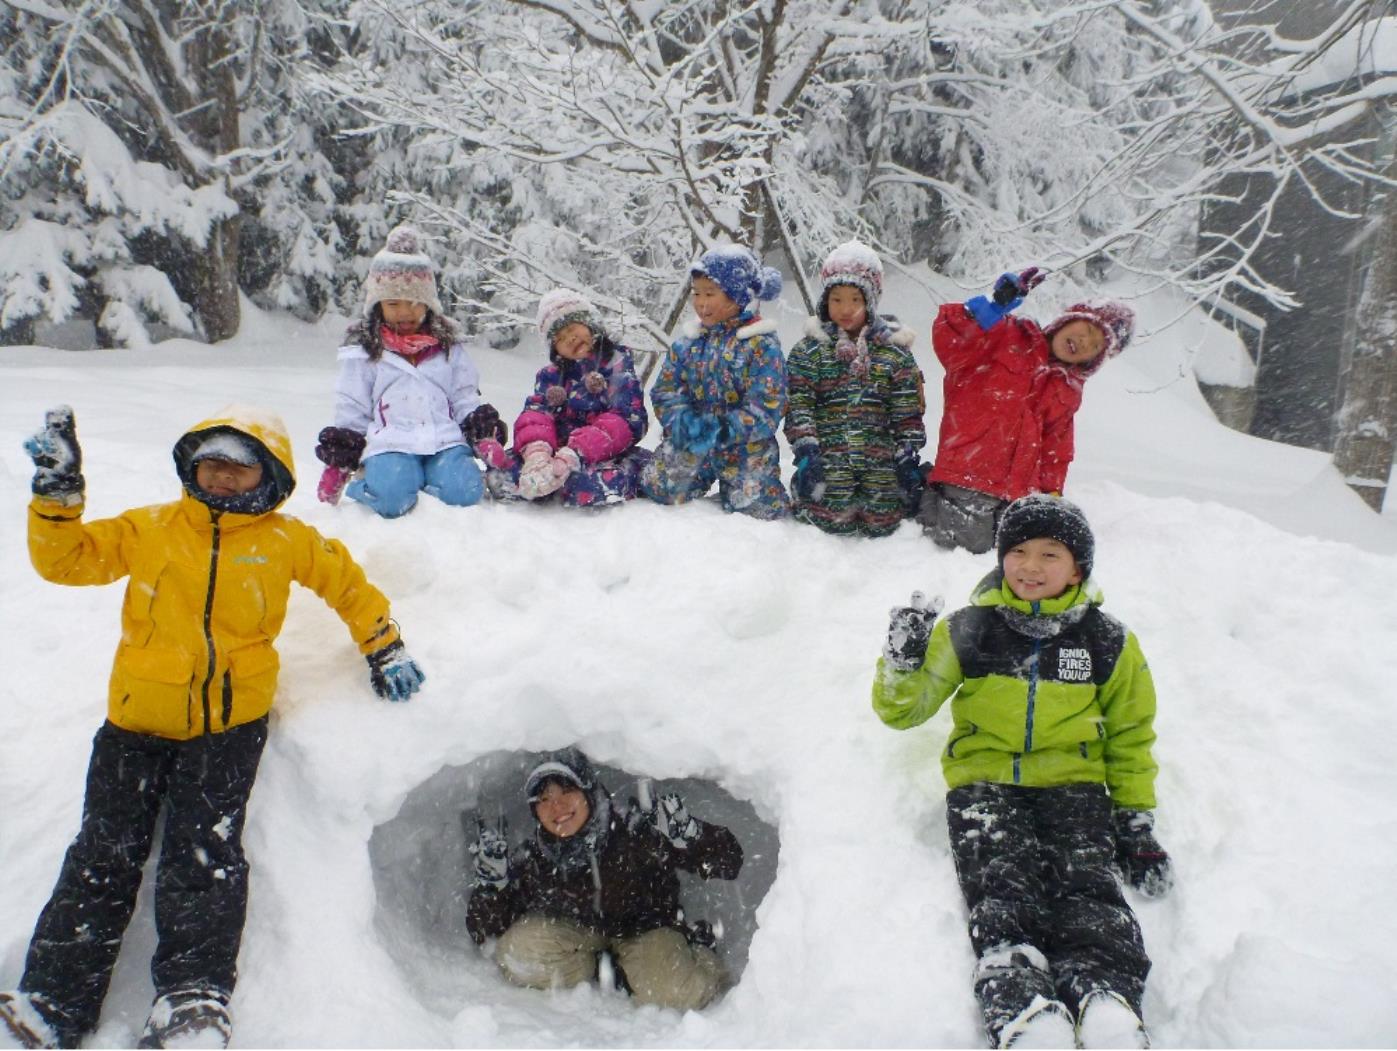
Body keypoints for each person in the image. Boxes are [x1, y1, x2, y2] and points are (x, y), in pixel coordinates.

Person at [1, 406, 425, 1050]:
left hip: (228, 730)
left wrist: (383, 644)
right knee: (101, 856)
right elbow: (68, 562)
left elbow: (348, 586)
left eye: (239, 466)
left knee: (205, 859)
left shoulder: (287, 541)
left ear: (269, 475)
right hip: (133, 725)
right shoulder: (152, 528)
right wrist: (58, 496)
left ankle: (192, 998)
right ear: (191, 467)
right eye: (212, 464)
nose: (222, 478)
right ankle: (54, 1000)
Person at [871, 495, 1172, 1049]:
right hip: (984, 788)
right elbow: (902, 711)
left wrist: (1134, 821)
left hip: (1073, 787)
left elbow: (1132, 733)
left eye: (1050, 554)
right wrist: (903, 661)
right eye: (1019, 551)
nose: (1031, 566)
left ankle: (1105, 994)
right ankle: (1025, 1005)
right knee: (1002, 887)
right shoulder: (971, 629)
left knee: (1087, 884)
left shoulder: (1107, 641)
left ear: (1078, 567)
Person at [465, 748, 742, 1012]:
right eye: (544, 799)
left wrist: (690, 838)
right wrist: (493, 886)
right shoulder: (536, 856)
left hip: (645, 929)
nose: (557, 806)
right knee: (517, 955)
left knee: (676, 993)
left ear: (588, 790)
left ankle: (697, 949)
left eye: (567, 790)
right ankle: (602, 967)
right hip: (583, 933)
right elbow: (487, 931)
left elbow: (728, 863)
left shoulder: (634, 830)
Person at [917, 267, 1134, 553]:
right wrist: (990, 309)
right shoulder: (1007, 337)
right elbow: (951, 340)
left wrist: (1051, 496)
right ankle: (922, 495)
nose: (1084, 342)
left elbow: (1056, 449)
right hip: (967, 476)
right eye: (1089, 329)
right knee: (965, 546)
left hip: (1018, 495)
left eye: (1095, 346)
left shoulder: (1066, 391)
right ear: (1070, 319)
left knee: (1016, 554)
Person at [313, 224, 505, 518]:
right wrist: (339, 463)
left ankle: (432, 481)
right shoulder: (364, 353)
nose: (404, 313)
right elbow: (353, 407)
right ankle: (370, 484)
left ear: (428, 305)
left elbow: (465, 396)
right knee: (392, 500)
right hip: (391, 443)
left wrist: (482, 436)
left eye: (415, 303)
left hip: (444, 440)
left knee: (464, 493)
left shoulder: (448, 348)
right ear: (378, 305)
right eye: (393, 304)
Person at [784, 241, 926, 537]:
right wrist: (807, 449)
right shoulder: (812, 350)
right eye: (836, 299)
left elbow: (906, 412)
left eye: (855, 300)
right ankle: (804, 488)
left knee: (883, 520)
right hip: (829, 451)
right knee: (832, 516)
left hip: (878, 453)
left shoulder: (892, 353)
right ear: (825, 301)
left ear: (871, 302)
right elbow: (799, 404)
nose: (845, 309)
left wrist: (907, 453)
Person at [640, 245, 789, 519]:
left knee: (759, 508)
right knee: (659, 487)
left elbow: (767, 406)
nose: (701, 303)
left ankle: (748, 483)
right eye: (696, 294)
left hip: (745, 445)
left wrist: (723, 429)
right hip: (693, 439)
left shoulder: (760, 345)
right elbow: (665, 390)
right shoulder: (688, 343)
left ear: (737, 296)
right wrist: (683, 423)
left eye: (711, 294)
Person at [475, 289, 649, 507]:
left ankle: (555, 486)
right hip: (555, 450)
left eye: (572, 328)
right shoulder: (551, 376)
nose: (570, 339)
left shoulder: (616, 366)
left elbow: (627, 420)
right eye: (560, 339)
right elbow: (536, 414)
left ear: (590, 324)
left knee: (590, 482)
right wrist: (536, 451)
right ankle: (519, 474)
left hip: (605, 452)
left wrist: (575, 452)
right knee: (509, 474)